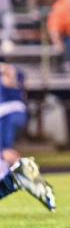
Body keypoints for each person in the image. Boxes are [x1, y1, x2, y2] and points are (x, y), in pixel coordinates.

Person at [0, 59, 56, 211]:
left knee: (5, 152)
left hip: (6, 113)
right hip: (10, 113)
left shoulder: (9, 69)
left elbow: (10, 76)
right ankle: (18, 178)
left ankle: (22, 175)